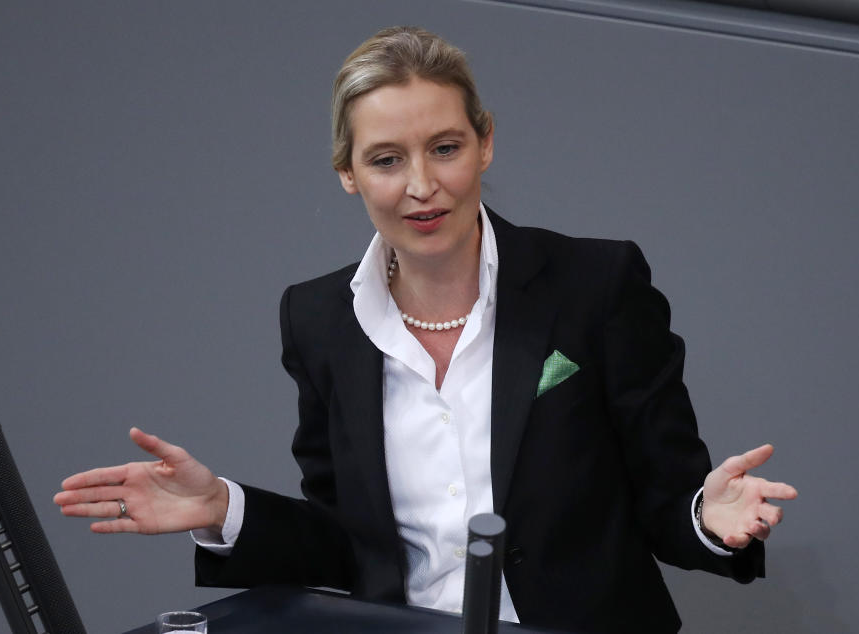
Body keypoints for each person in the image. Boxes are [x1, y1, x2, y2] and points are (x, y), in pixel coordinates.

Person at [55, 26, 797, 632]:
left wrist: (707, 516)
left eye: (444, 147)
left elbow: (665, 498)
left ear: (485, 143)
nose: (421, 185)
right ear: (348, 172)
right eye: (385, 159)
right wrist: (225, 508)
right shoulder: (317, 320)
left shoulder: (596, 285)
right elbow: (350, 542)